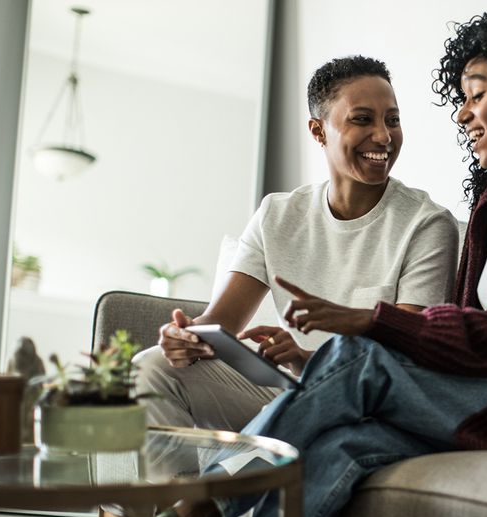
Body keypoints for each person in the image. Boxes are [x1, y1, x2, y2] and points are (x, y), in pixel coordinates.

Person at [89, 9, 487, 517]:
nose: (463, 113)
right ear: (319, 130)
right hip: (468, 394)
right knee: (339, 446)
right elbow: (460, 337)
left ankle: (198, 506)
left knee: (360, 356)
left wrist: (365, 320)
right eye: (462, 99)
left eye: (476, 94)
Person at [136, 56, 459, 432]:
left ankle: (209, 489)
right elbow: (219, 322)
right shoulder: (277, 214)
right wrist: (187, 336)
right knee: (151, 368)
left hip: (365, 403)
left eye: (392, 119)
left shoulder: (428, 224)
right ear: (319, 131)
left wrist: (308, 360)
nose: (384, 136)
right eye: (362, 119)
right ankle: (176, 489)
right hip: (285, 390)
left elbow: (405, 361)